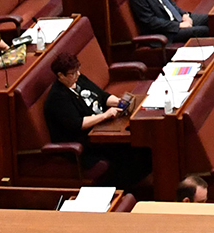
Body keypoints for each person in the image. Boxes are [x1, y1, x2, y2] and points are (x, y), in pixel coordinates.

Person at [44, 51, 149, 192]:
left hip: (102, 128)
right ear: (60, 76)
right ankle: (117, 190)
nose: (78, 75)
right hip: (86, 142)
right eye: (73, 73)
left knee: (140, 147)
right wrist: (105, 115)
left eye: (77, 70)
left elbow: (102, 96)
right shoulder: (58, 98)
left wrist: (118, 102)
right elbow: (78, 124)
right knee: (131, 153)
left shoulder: (79, 80)